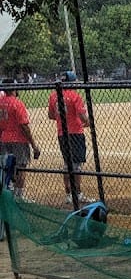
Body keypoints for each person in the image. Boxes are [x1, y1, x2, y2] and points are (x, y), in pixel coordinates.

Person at [47, 70, 92, 207]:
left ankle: (68, 195)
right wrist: (87, 122)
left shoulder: (54, 95)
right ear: (72, 83)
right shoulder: (74, 96)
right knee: (77, 165)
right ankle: (77, 194)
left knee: (67, 164)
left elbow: (51, 115)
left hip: (62, 133)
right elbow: (83, 116)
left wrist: (63, 119)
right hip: (75, 133)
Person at [0, 87, 40, 200]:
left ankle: (8, 193)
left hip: (4, 138)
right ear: (14, 90)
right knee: (21, 167)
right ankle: (19, 196)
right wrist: (33, 144)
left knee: (6, 167)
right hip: (18, 140)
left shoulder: (0, 102)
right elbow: (24, 126)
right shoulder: (17, 103)